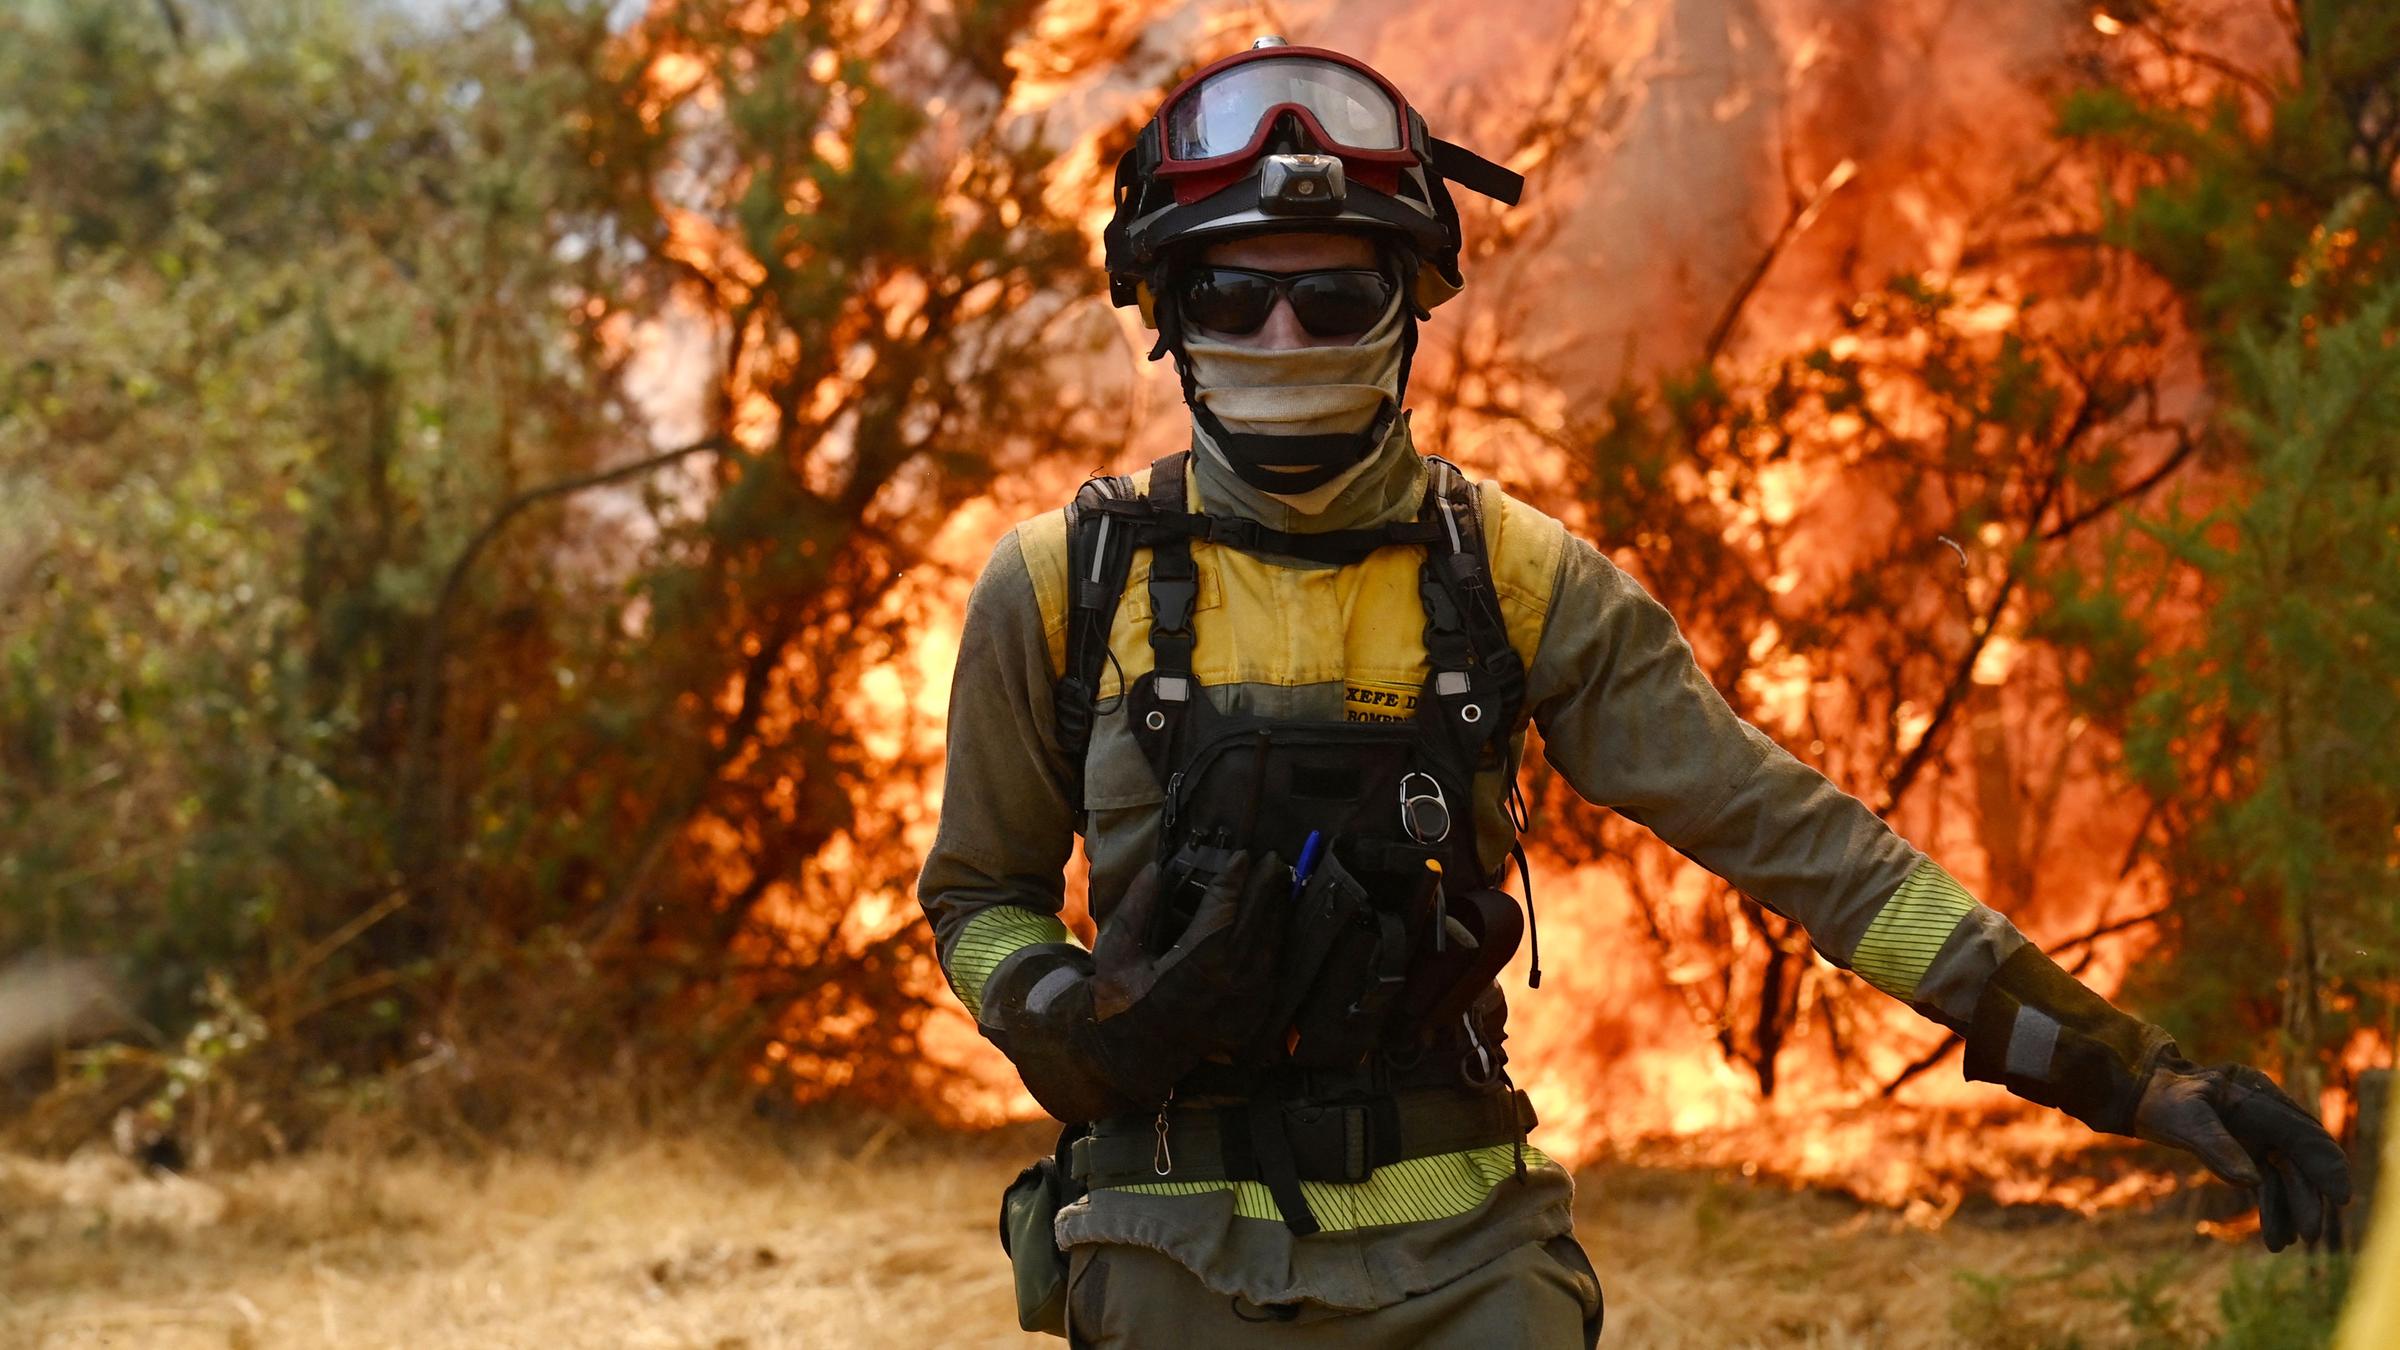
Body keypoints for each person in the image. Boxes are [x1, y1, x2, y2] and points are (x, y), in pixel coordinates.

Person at [917, 38, 2350, 1348]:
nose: (1284, 337)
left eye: (1335, 290)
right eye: (1236, 290)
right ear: (1168, 310)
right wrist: (1068, 1014)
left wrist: (2126, 1070)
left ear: (1410, 302)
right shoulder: (1060, 584)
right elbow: (976, 894)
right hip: (1162, 1248)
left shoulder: (1518, 578)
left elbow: (1801, 841)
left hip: (1475, 1264)